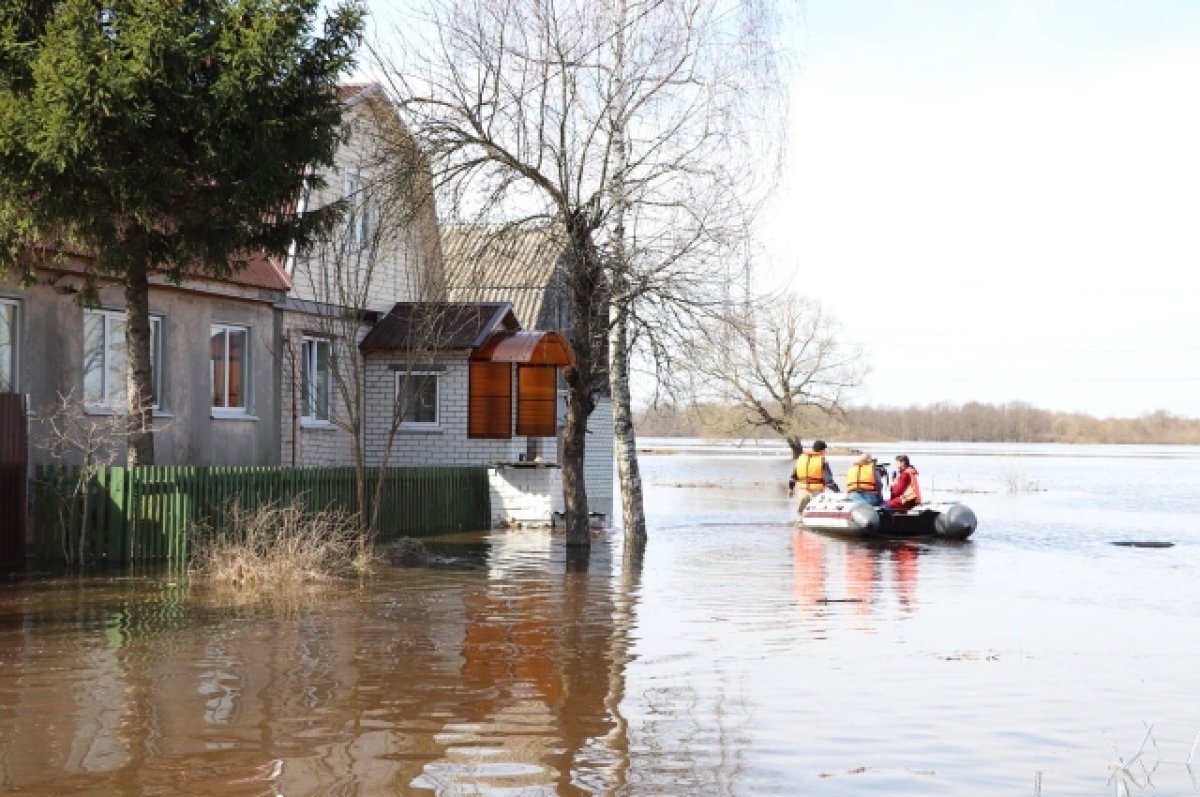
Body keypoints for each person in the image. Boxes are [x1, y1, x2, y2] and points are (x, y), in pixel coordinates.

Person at [788, 439, 840, 513]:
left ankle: (800, 522)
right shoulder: (822, 461)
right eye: (825, 450)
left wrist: (790, 488)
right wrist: (837, 491)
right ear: (822, 450)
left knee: (802, 513)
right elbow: (828, 481)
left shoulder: (801, 459)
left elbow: (793, 476)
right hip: (816, 492)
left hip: (802, 491)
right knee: (816, 512)